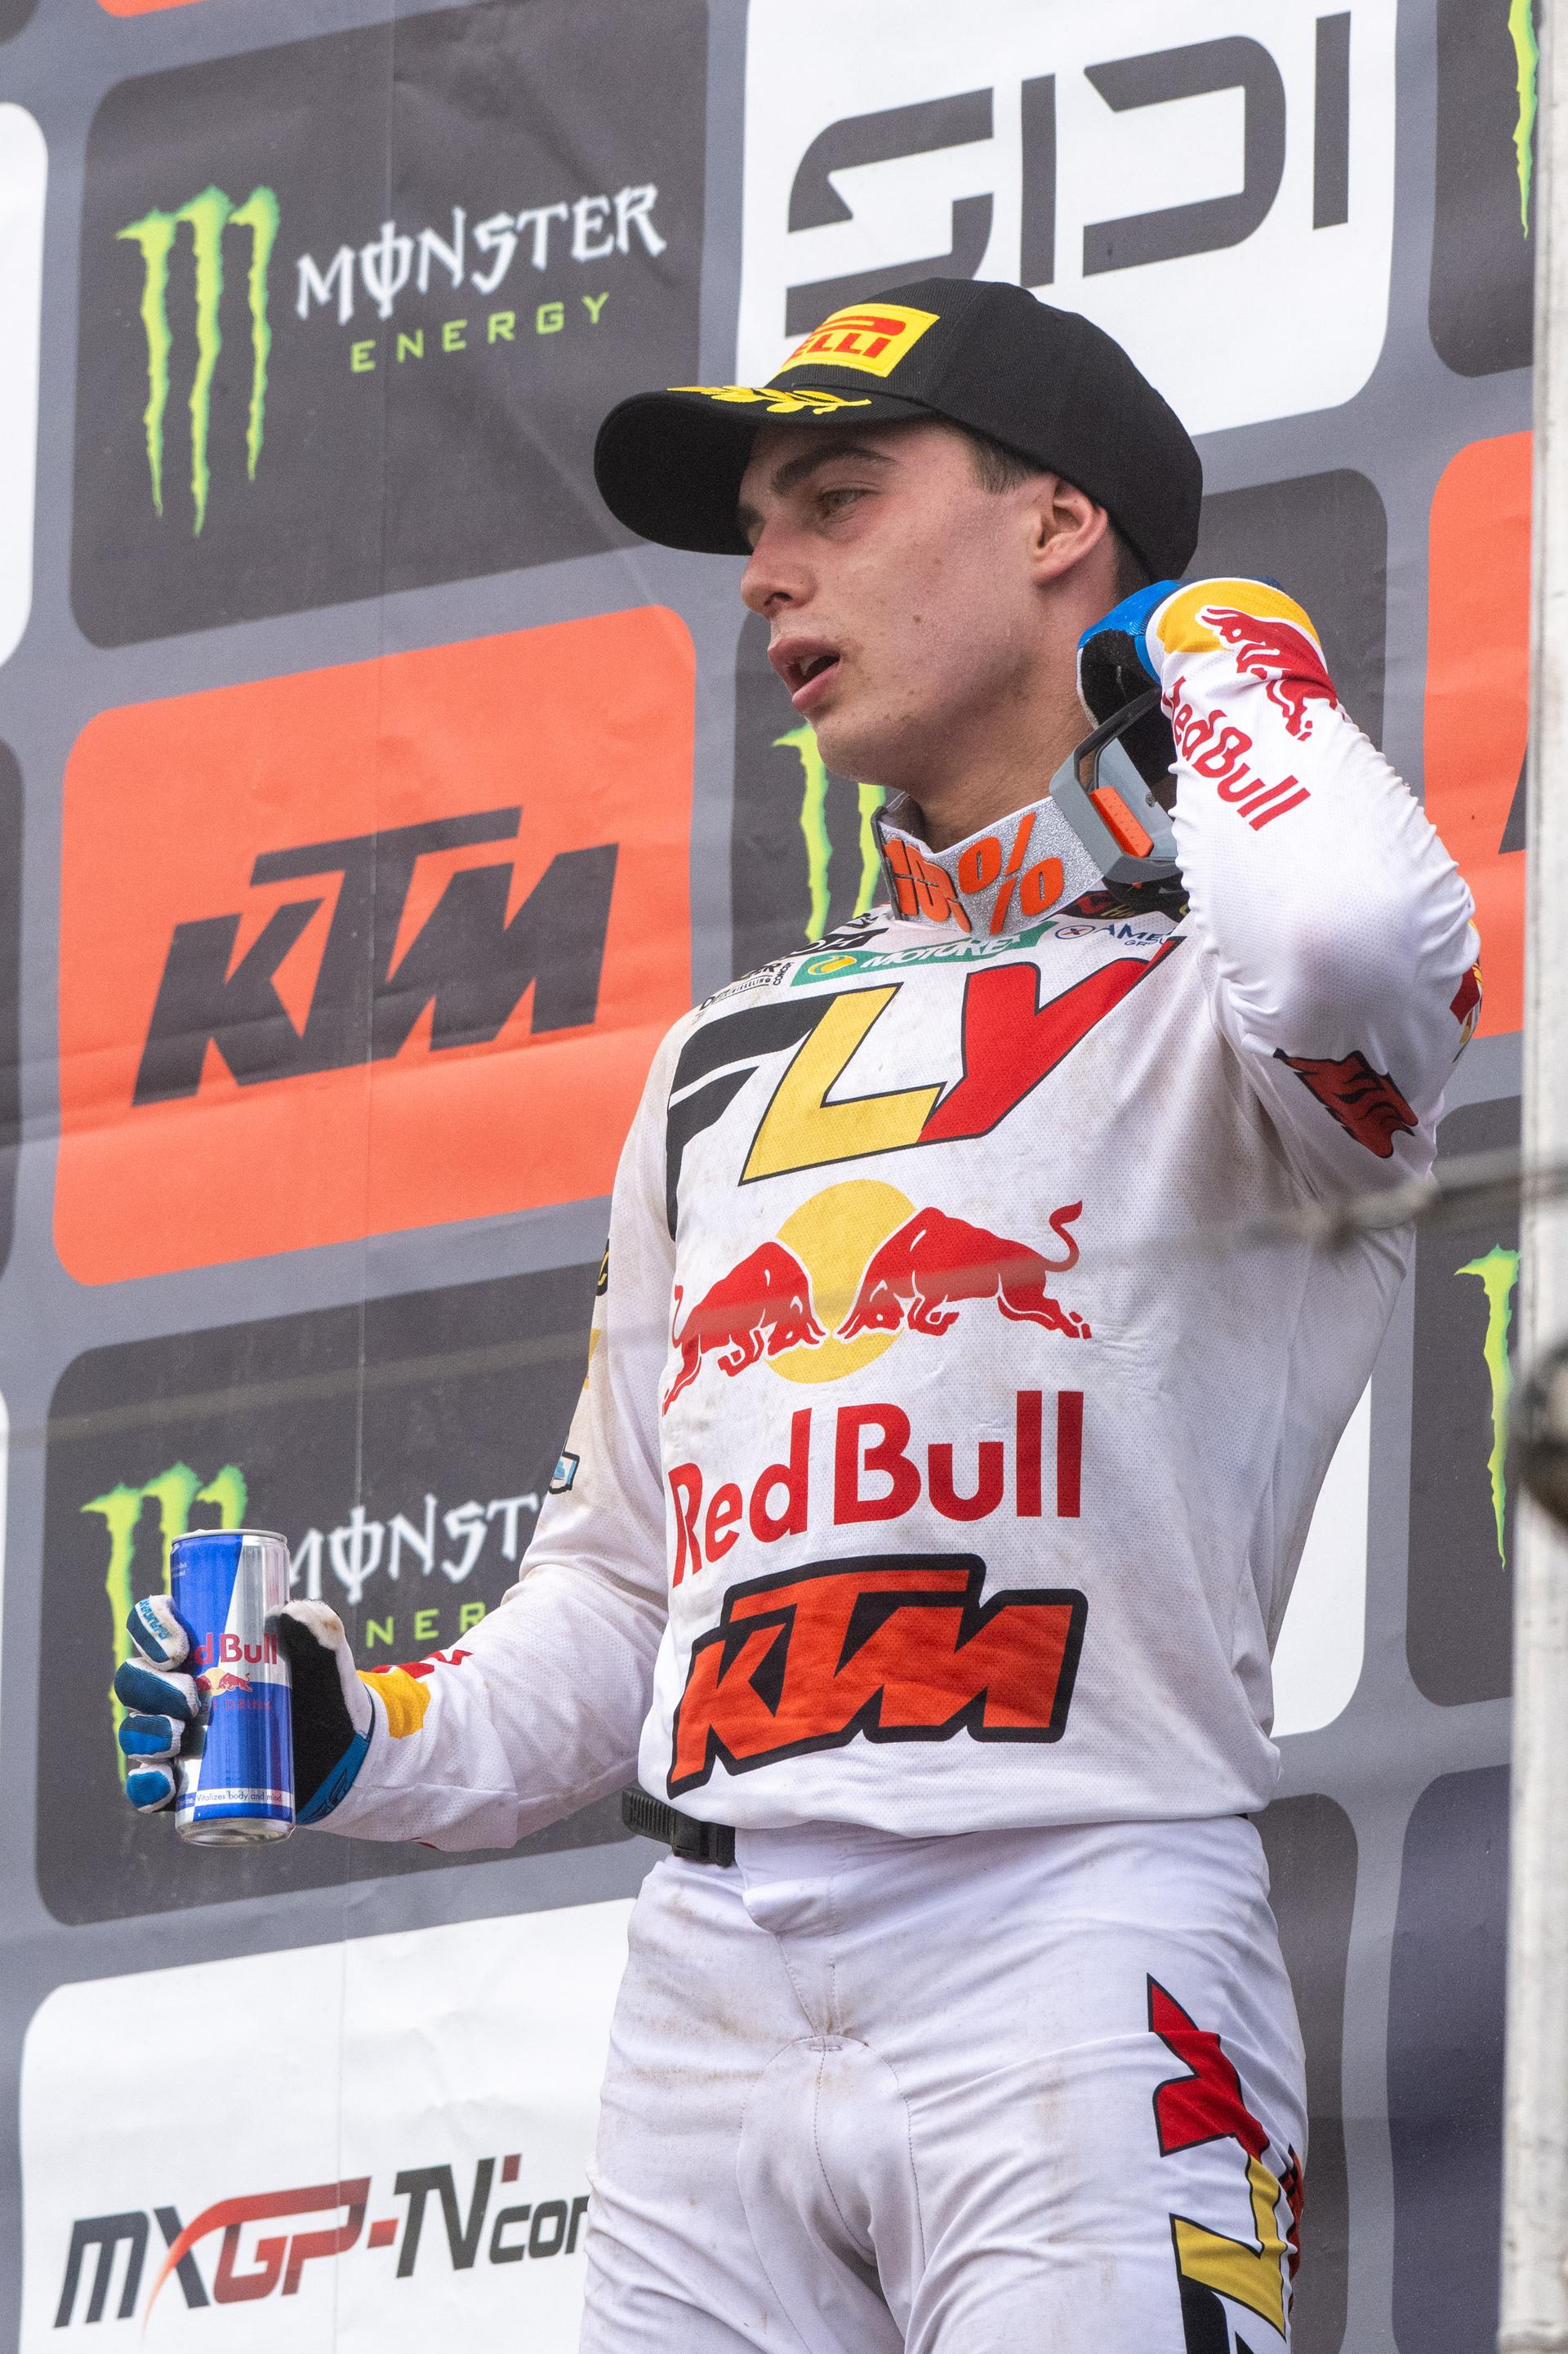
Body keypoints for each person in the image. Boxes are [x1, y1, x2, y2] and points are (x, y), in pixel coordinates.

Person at [114, 279, 1480, 2351]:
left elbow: (1370, 935)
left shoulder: (1234, 1000)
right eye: (760, 525)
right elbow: (620, 1605)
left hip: (1084, 1922)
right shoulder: (717, 1060)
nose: (768, 576)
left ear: (1057, 527)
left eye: (838, 498)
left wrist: (1222, 644)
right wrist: (353, 1731)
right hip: (712, 1977)